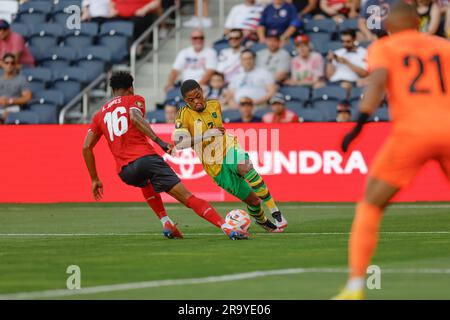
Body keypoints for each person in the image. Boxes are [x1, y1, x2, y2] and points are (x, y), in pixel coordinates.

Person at [334, 1, 450, 299]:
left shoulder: (383, 47)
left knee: (371, 205)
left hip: (411, 134)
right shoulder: (443, 46)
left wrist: (358, 125)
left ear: (391, 24)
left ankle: (356, 286)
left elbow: (377, 84)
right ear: (417, 22)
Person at [82, 71, 248, 240]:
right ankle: (227, 228)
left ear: (113, 91)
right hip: (146, 159)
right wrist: (159, 142)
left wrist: (95, 179)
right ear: (131, 88)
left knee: (145, 183)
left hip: (125, 171)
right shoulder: (134, 99)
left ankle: (166, 222)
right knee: (188, 198)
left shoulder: (99, 114)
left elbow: (86, 147)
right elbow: (134, 116)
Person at [174, 79, 288, 232]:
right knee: (253, 201)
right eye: (191, 100)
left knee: (245, 167)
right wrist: (205, 135)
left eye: (198, 96)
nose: (196, 101)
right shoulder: (183, 114)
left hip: (228, 148)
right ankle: (262, 221)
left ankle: (276, 211)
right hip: (214, 166)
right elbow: (179, 144)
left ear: (202, 91)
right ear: (185, 101)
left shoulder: (215, 104)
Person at [0, 54, 32, 123]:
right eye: (7, 63)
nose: (9, 65)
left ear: (15, 65)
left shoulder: (21, 79)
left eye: (12, 63)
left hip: (14, 109)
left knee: (8, 116)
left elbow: (27, 97)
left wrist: (11, 101)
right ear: (2, 64)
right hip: (0, 108)